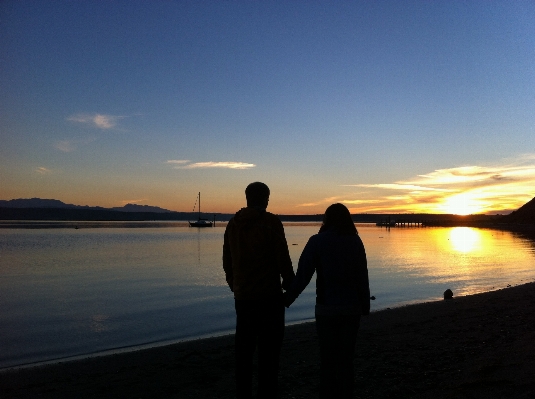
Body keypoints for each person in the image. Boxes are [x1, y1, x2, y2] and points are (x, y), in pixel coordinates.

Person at [284, 203, 370, 399]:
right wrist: (365, 304)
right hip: (351, 309)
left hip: (326, 309)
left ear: (326, 219)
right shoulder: (355, 242)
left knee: (328, 360)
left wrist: (287, 299)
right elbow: (362, 277)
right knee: (346, 360)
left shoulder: (317, 241)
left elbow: (303, 275)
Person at [223, 182, 295, 399]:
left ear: (247, 198)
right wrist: (290, 283)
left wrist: (235, 285)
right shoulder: (271, 223)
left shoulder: (233, 225)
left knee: (243, 354)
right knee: (269, 356)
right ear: (265, 198)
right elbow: (282, 258)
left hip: (243, 298)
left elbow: (227, 261)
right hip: (269, 298)